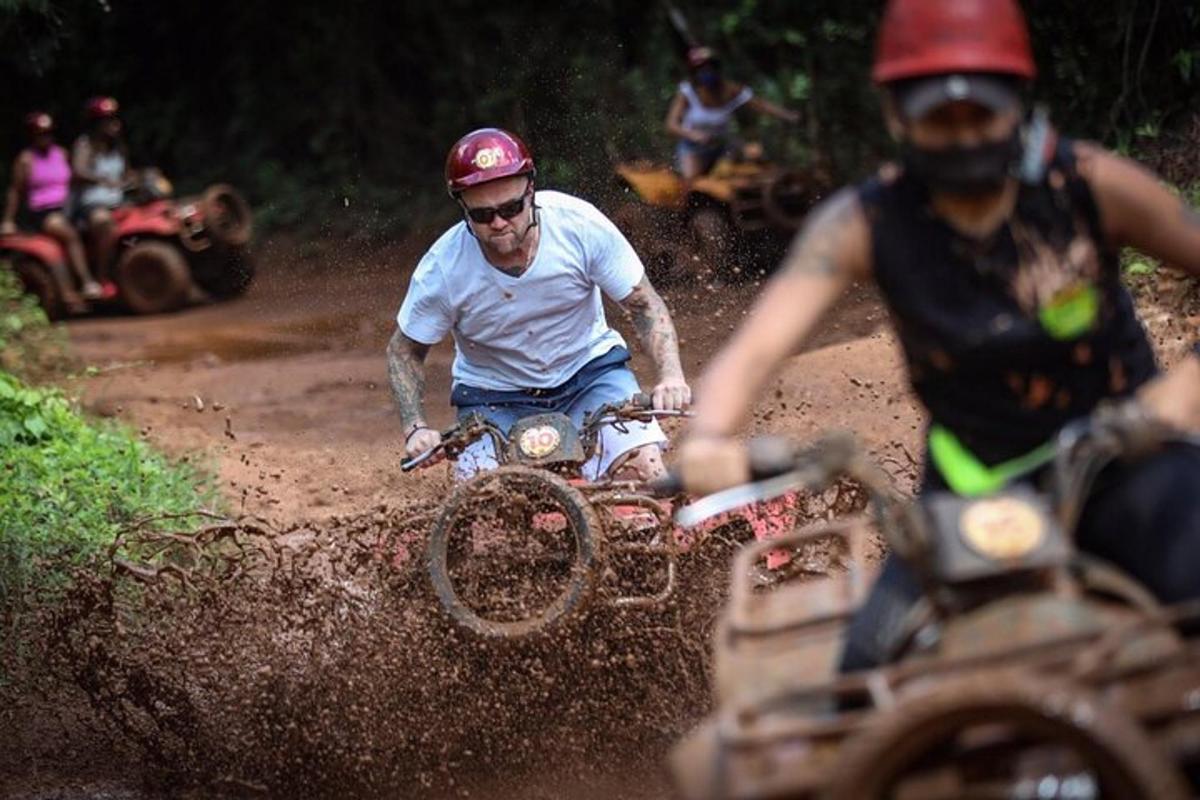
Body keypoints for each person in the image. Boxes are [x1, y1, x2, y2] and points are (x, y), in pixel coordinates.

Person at [675, 0, 1200, 670]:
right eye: (939, 119)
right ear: (897, 116)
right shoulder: (864, 223)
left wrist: (1183, 390)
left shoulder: (1089, 186)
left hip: (1131, 457)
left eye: (981, 114)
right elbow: (753, 352)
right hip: (974, 489)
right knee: (867, 678)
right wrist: (708, 440)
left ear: (1017, 101)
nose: (964, 137)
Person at [390, 128, 690, 481]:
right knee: (483, 494)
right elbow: (404, 351)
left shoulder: (579, 226)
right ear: (463, 207)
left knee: (644, 471)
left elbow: (643, 305)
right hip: (494, 399)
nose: (499, 223)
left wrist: (671, 377)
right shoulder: (442, 268)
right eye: (483, 215)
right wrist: (415, 428)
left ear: (530, 191)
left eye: (511, 208)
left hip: (591, 377)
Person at [2, 112, 104, 309]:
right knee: (68, 233)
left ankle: (103, 277)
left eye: (48, 133)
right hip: (43, 212)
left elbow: (75, 182)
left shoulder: (61, 154)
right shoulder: (25, 160)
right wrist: (8, 220)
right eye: (40, 134)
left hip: (69, 208)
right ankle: (87, 283)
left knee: (97, 224)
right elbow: (15, 191)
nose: (45, 137)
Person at [664, 46, 799, 179]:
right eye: (700, 69)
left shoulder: (731, 90)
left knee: (751, 158)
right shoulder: (688, 92)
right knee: (691, 180)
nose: (705, 72)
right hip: (693, 147)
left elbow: (761, 105)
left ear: (716, 68)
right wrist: (693, 135)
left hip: (723, 145)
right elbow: (671, 125)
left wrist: (789, 116)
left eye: (709, 68)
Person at [71, 96, 129, 279]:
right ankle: (102, 276)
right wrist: (101, 179)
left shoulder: (118, 147)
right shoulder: (85, 145)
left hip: (119, 200)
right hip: (93, 205)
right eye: (107, 120)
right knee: (104, 223)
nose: (114, 123)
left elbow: (125, 175)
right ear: (96, 124)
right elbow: (78, 171)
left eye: (115, 118)